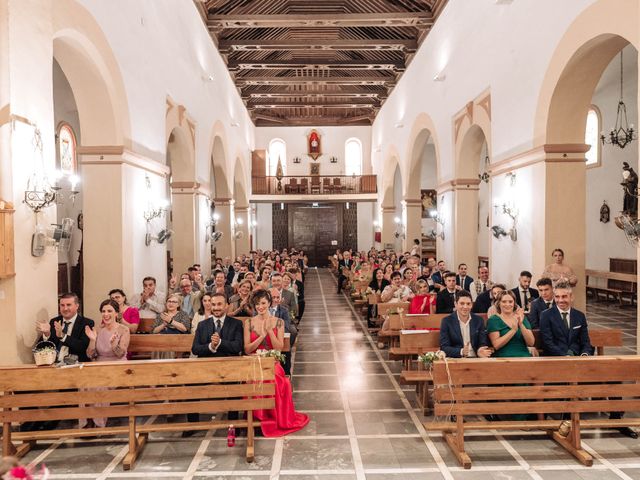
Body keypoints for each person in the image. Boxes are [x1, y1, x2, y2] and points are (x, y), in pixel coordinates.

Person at [243, 290, 309, 436]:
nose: (260, 307)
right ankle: (256, 417)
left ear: (269, 303)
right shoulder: (248, 323)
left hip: (272, 362)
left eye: (263, 303)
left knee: (277, 379)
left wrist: (270, 332)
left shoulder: (278, 322)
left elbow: (279, 348)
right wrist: (261, 337)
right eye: (257, 304)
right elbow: (247, 349)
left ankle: (272, 417)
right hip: (254, 362)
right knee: (253, 379)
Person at [185, 293, 244, 436]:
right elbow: (195, 348)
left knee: (235, 386)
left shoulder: (236, 324)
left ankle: (233, 424)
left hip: (228, 367)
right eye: (213, 304)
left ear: (226, 306)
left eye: (219, 304)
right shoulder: (202, 325)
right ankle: (192, 425)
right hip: (206, 367)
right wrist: (211, 346)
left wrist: (221, 343)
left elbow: (237, 347)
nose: (216, 308)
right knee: (189, 385)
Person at [81, 299, 130, 429]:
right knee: (84, 384)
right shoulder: (98, 329)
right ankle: (87, 420)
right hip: (99, 365)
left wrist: (114, 344)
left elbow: (120, 354)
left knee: (100, 385)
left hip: (117, 366)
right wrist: (92, 340)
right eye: (103, 311)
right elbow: (90, 355)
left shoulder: (123, 330)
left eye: (109, 311)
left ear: (116, 314)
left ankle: (98, 422)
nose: (106, 314)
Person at [35, 293, 94, 363]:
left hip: (76, 365)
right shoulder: (54, 321)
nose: (65, 308)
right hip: (54, 365)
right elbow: (42, 349)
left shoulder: (86, 323)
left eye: (68, 305)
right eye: (62, 305)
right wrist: (47, 334)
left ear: (77, 306)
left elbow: (82, 347)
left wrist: (62, 336)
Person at [539, 282, 593, 357]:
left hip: (577, 357)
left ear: (571, 297)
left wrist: (585, 354)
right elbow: (548, 343)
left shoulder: (580, 316)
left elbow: (585, 341)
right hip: (555, 358)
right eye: (557, 297)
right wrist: (565, 356)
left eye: (564, 296)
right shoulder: (546, 315)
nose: (560, 300)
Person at [440, 291, 492, 358]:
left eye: (468, 304)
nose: (465, 307)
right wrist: (461, 351)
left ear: (472, 305)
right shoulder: (447, 321)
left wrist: (480, 350)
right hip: (457, 359)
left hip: (475, 358)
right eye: (462, 303)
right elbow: (444, 347)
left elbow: (482, 342)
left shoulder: (479, 320)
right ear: (456, 304)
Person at [487, 290, 535, 357]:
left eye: (510, 302)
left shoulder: (521, 317)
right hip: (502, 358)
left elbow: (531, 343)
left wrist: (521, 325)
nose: (507, 304)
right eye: (504, 302)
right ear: (498, 303)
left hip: (524, 356)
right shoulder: (493, 320)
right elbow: (496, 345)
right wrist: (513, 330)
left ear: (514, 303)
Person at [269, 288, 296, 376]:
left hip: (279, 338)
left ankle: (286, 375)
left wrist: (273, 332)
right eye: (273, 297)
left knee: (285, 351)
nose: (276, 300)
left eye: (277, 297)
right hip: (265, 340)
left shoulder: (284, 310)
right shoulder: (260, 309)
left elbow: (286, 327)